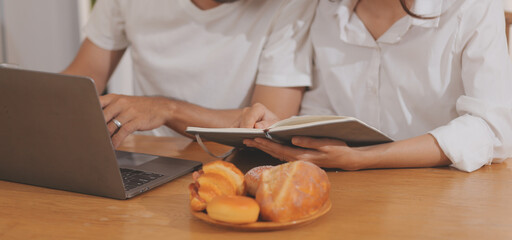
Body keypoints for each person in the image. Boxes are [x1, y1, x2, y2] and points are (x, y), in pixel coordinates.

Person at [240, 0, 512, 172]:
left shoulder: (471, 6)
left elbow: (492, 130)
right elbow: (325, 107)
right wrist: (285, 129)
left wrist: (366, 158)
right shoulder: (326, 10)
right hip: (353, 193)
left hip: (446, 191)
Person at [62, 0, 317, 147]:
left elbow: (273, 123)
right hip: (148, 155)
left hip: (233, 162)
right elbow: (81, 80)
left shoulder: (290, 4)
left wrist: (167, 110)